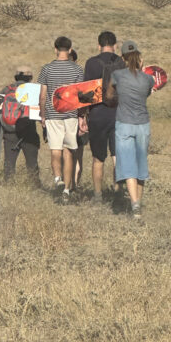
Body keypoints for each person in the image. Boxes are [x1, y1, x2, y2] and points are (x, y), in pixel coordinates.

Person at [105, 40, 155, 218]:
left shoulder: (117, 75)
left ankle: (134, 205)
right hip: (143, 124)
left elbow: (108, 96)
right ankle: (138, 205)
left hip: (124, 123)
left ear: (123, 57)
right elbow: (147, 93)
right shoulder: (148, 78)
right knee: (141, 164)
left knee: (127, 165)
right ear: (139, 58)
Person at [38, 36, 83, 201]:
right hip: (71, 115)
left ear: (55, 49)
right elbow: (81, 96)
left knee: (55, 150)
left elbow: (42, 96)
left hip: (52, 115)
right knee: (69, 152)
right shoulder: (78, 70)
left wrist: (42, 115)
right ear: (70, 50)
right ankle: (66, 189)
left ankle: (57, 179)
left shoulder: (46, 69)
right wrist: (82, 116)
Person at [83, 31, 125, 203]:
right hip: (119, 114)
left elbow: (85, 94)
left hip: (97, 115)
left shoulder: (91, 63)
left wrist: (83, 116)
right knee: (117, 156)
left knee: (98, 158)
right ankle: (118, 191)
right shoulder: (121, 63)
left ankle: (98, 195)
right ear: (115, 46)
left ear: (98, 45)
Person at [0, 66, 40, 186]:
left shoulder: (7, 90)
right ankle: (34, 187)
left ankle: (8, 186)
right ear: (30, 77)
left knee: (9, 163)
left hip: (9, 132)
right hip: (28, 132)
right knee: (32, 163)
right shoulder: (34, 91)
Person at [69, 49, 88, 190]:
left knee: (66, 153)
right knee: (77, 155)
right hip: (79, 118)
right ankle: (75, 184)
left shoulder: (57, 75)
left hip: (63, 120)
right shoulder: (81, 75)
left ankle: (67, 184)